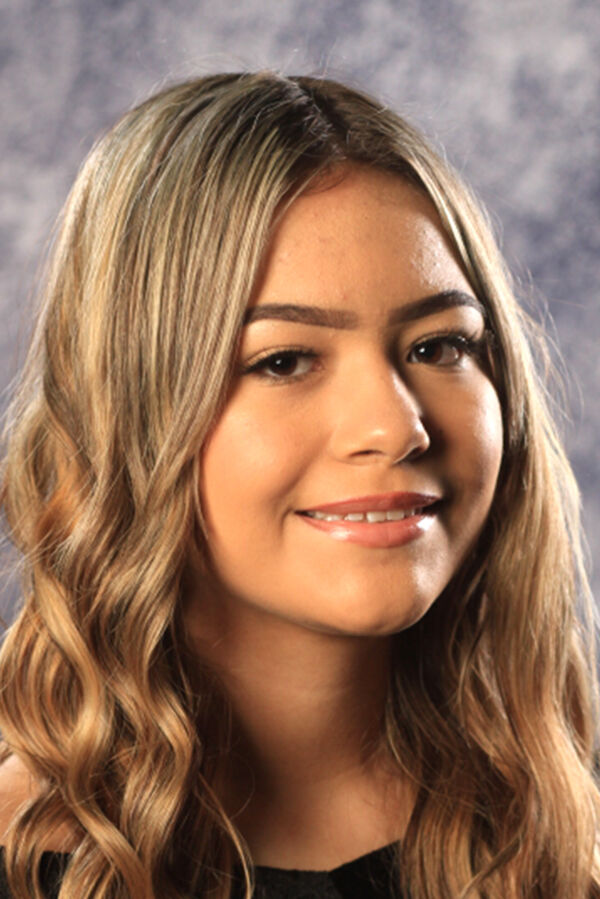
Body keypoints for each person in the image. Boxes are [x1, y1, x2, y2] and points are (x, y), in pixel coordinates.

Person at [0, 71, 597, 899]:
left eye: (439, 346)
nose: (396, 427)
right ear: (131, 413)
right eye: (283, 360)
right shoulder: (23, 862)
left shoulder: (571, 830)